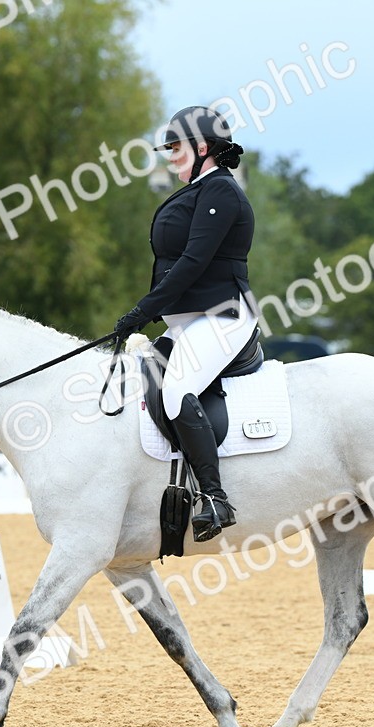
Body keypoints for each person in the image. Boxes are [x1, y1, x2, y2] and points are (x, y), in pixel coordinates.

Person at [113, 106, 256, 543]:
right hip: (189, 321)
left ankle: (215, 497)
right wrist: (156, 311)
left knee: (176, 388)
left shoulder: (221, 192)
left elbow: (194, 263)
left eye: (175, 148)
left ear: (201, 147)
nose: (170, 156)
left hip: (223, 316)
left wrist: (143, 310)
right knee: (143, 382)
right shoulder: (197, 189)